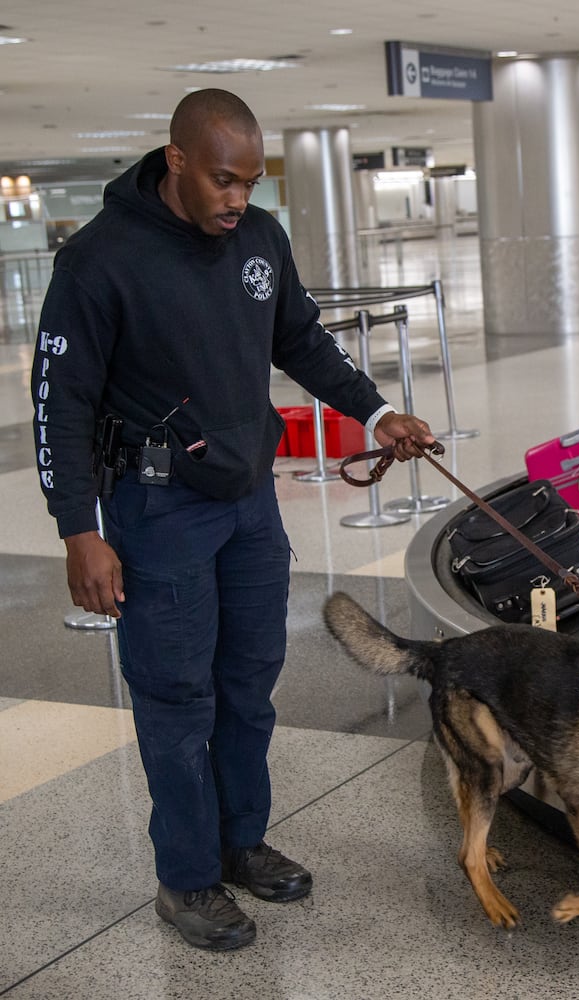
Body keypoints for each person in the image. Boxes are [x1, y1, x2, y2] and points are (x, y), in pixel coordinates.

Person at [30, 89, 435, 952]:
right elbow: (58, 402)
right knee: (177, 698)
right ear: (176, 160)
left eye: (250, 183)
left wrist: (374, 414)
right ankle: (185, 878)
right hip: (157, 507)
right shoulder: (100, 262)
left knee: (250, 681)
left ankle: (239, 839)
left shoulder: (257, 239)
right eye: (223, 180)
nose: (237, 199)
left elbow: (302, 340)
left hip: (248, 501)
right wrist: (79, 528)